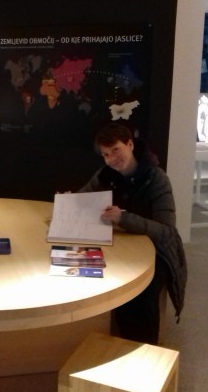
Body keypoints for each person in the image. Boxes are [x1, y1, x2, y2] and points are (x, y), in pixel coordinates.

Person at [79, 122, 187, 344]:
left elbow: (167, 232)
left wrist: (124, 218)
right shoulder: (106, 174)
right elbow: (83, 197)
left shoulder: (156, 178)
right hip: (121, 245)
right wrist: (70, 201)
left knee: (141, 290)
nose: (112, 158)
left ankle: (144, 348)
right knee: (100, 276)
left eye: (116, 150)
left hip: (158, 251)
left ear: (130, 144)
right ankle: (114, 339)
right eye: (106, 154)